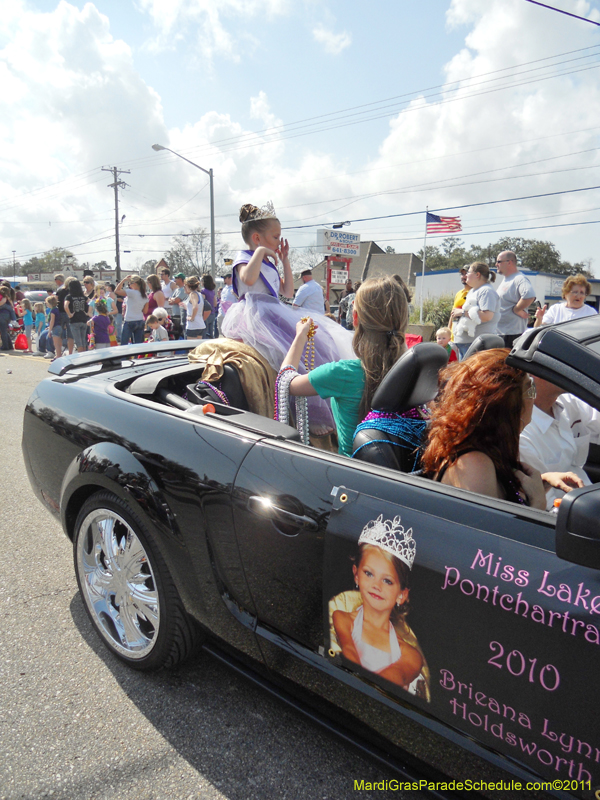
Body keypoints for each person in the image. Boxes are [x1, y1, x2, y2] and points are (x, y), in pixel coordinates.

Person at [221, 202, 354, 433]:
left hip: (271, 310)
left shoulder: (267, 261)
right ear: (257, 238)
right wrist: (261, 252)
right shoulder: (244, 258)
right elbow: (249, 280)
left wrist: (283, 260)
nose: (278, 242)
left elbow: (288, 292)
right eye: (275, 237)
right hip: (255, 314)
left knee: (319, 343)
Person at [280, 276, 408, 456]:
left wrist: (300, 336)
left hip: (351, 474)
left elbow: (287, 381)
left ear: (355, 317)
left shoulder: (343, 373)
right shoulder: (414, 371)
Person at [421, 349, 546, 509]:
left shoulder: (486, 454)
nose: (534, 397)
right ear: (506, 405)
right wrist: (538, 503)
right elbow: (488, 533)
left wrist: (539, 484)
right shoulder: (474, 465)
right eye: (530, 389)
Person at [331, 516, 424, 691]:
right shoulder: (343, 619)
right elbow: (350, 653)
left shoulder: (410, 655)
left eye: (387, 581)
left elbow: (393, 677)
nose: (376, 585)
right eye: (369, 573)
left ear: (402, 594)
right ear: (356, 575)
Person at [520, 376, 600, 510]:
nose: (571, 368)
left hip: (589, 500)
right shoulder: (522, 435)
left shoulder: (566, 402)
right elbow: (549, 509)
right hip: (576, 515)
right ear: (532, 376)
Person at [450, 262, 500, 359]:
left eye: (468, 272)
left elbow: (487, 316)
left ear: (477, 275)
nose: (466, 275)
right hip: (466, 344)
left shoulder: (486, 291)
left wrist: (462, 313)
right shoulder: (473, 291)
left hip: (476, 345)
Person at [495, 250, 535, 347]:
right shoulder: (507, 279)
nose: (496, 264)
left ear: (509, 262)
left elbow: (529, 295)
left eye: (499, 261)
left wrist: (517, 309)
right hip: (501, 333)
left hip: (512, 334)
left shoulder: (519, 278)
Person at [115, 275, 147, 345]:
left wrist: (124, 280)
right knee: (138, 345)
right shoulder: (144, 295)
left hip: (129, 320)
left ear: (134, 284)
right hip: (140, 320)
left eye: (129, 283)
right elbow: (145, 311)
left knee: (124, 344)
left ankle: (125, 356)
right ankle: (137, 356)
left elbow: (117, 291)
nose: (129, 285)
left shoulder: (131, 292)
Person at [64, 279, 89, 353]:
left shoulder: (69, 297)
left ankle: (81, 357)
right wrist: (87, 312)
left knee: (78, 341)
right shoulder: (83, 297)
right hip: (83, 319)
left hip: (74, 320)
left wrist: (69, 315)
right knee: (83, 340)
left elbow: (65, 306)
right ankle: (84, 356)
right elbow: (91, 303)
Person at [53, 273, 74, 357]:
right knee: (70, 335)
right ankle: (71, 354)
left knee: (59, 334)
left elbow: (56, 301)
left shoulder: (60, 290)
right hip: (71, 313)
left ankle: (58, 354)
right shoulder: (73, 291)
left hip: (61, 312)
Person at [448, 268, 469, 340]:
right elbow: (452, 314)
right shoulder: (459, 293)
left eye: (466, 273)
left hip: (467, 338)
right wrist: (448, 331)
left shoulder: (475, 293)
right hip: (454, 337)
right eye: (462, 274)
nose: (464, 276)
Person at [168, 272, 188, 338]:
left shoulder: (184, 289)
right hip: (174, 315)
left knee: (181, 334)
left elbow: (177, 300)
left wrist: (173, 300)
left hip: (180, 315)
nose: (175, 279)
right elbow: (169, 301)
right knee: (175, 334)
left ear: (181, 279)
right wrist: (173, 300)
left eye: (176, 278)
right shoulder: (176, 290)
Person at [200, 274, 217, 339]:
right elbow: (215, 303)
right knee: (211, 333)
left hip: (206, 314)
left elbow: (203, 303)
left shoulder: (203, 291)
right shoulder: (212, 291)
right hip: (212, 313)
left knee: (205, 333)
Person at [0, 286, 17, 351]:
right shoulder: (8, 297)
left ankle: (5, 346)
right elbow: (12, 307)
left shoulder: (4, 297)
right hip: (7, 315)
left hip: (3, 315)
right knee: (4, 330)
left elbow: (1, 303)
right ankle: (9, 345)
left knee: (3, 331)